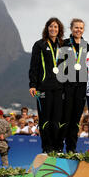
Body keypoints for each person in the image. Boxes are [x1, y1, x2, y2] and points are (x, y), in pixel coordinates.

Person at [29, 17, 65, 153]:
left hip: (59, 88)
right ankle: (46, 147)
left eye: (56, 27)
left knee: (57, 120)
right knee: (45, 119)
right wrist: (32, 85)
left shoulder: (62, 45)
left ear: (59, 29)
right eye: (51, 26)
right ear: (47, 28)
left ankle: (57, 147)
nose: (53, 29)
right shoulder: (39, 45)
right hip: (43, 88)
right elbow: (34, 66)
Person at [59, 18, 89, 153]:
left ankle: (71, 148)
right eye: (76, 27)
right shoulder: (64, 44)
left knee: (75, 120)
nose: (78, 30)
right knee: (64, 118)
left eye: (81, 28)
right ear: (71, 28)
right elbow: (59, 64)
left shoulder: (86, 46)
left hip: (81, 87)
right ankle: (59, 146)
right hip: (67, 86)